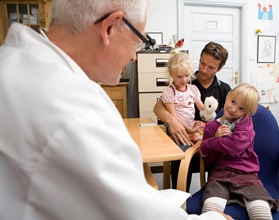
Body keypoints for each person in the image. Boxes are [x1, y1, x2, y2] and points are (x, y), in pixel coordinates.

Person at [0, 0, 232, 219]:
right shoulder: (74, 109)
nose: (133, 56)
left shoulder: (13, 64)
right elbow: (135, 212)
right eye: (138, 40)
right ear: (109, 28)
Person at [154, 42, 232, 191]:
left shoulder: (225, 90)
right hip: (186, 139)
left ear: (220, 69)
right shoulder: (184, 79)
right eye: (202, 63)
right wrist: (173, 122)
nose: (203, 69)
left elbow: (231, 119)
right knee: (181, 154)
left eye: (211, 67)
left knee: (225, 155)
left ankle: (214, 197)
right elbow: (157, 107)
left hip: (211, 142)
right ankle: (180, 200)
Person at [200, 83, 279, 219]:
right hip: (219, 175)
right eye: (233, 101)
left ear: (247, 113)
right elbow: (207, 159)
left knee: (262, 213)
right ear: (228, 95)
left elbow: (235, 147)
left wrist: (211, 143)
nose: (233, 109)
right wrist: (215, 138)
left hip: (247, 175)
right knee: (209, 211)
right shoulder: (211, 127)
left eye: (241, 108)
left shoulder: (245, 123)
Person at [161, 49, 205, 144]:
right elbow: (173, 117)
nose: (184, 80)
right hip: (178, 129)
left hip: (191, 126)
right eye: (179, 76)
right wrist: (189, 130)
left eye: (187, 75)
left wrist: (210, 110)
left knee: (209, 136)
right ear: (171, 74)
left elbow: (202, 109)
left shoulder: (193, 89)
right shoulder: (169, 92)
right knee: (185, 147)